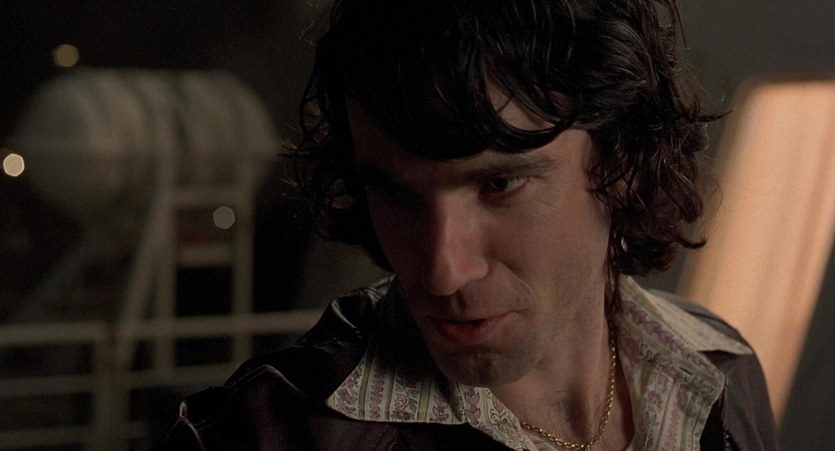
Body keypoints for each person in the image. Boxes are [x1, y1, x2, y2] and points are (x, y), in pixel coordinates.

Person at [157, 0, 776, 449]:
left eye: (499, 184)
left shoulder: (721, 370)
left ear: (622, 165)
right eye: (396, 193)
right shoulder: (259, 435)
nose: (442, 271)